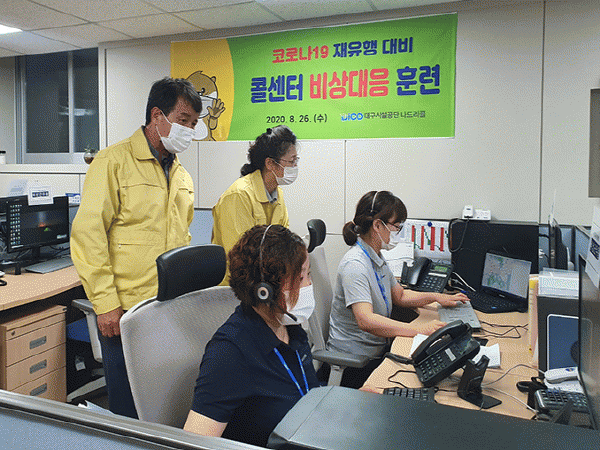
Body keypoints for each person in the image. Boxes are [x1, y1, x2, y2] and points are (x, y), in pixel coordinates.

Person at [70, 77, 203, 418]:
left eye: (193, 123)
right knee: (129, 410)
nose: (189, 130)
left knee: (165, 403)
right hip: (126, 312)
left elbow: (182, 237)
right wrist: (105, 304)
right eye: (184, 120)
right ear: (157, 116)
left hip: (169, 309)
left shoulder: (182, 175)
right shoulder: (113, 162)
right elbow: (88, 235)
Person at [184, 224, 320, 447]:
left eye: (308, 275)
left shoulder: (290, 328)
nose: (309, 285)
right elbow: (194, 444)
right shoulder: (230, 352)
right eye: (301, 277)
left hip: (309, 435)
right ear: (265, 291)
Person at [325, 190, 468, 389]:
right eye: (396, 226)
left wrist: (436, 297)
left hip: (373, 352)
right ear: (377, 225)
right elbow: (365, 320)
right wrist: (417, 330)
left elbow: (400, 295)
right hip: (355, 363)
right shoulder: (355, 265)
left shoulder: (375, 257)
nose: (398, 232)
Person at [211, 125, 298, 285]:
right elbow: (240, 256)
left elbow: (283, 242)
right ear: (270, 163)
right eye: (292, 161)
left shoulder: (277, 194)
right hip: (236, 287)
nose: (295, 167)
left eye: (296, 161)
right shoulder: (239, 195)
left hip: (265, 282)